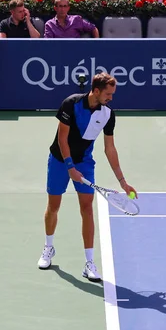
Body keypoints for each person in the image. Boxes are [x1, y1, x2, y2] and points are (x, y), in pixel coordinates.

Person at [38, 72, 137, 282]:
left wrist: (122, 181)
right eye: (108, 94)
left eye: (112, 94)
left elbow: (109, 149)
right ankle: (48, 248)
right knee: (53, 206)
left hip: (84, 162)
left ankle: (89, 263)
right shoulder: (71, 104)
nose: (111, 97)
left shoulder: (108, 114)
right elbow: (62, 138)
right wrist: (69, 166)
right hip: (59, 160)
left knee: (87, 208)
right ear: (97, 90)